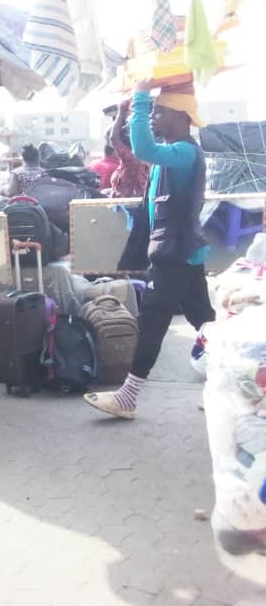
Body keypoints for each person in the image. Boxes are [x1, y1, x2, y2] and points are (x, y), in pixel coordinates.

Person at [84, 80, 214, 419]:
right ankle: (234, 384)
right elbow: (130, 142)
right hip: (182, 252)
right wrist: (128, 109)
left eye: (160, 112)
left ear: (181, 116)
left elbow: (141, 146)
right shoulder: (171, 153)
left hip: (176, 253)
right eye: (152, 112)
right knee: (205, 324)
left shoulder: (183, 152)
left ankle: (127, 397)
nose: (153, 118)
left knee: (153, 320)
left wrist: (141, 96)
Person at [109, 99, 151, 198]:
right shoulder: (145, 157)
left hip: (129, 208)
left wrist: (121, 111)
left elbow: (113, 138)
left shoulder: (131, 160)